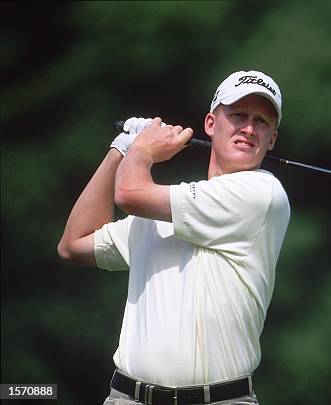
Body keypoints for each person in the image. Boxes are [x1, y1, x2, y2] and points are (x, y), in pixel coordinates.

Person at [58, 70, 291, 405]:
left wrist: (141, 151)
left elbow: (128, 193)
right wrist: (120, 149)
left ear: (272, 140)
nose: (249, 128)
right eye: (238, 115)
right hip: (128, 397)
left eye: (262, 121)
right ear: (211, 124)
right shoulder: (162, 211)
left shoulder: (262, 194)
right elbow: (74, 244)